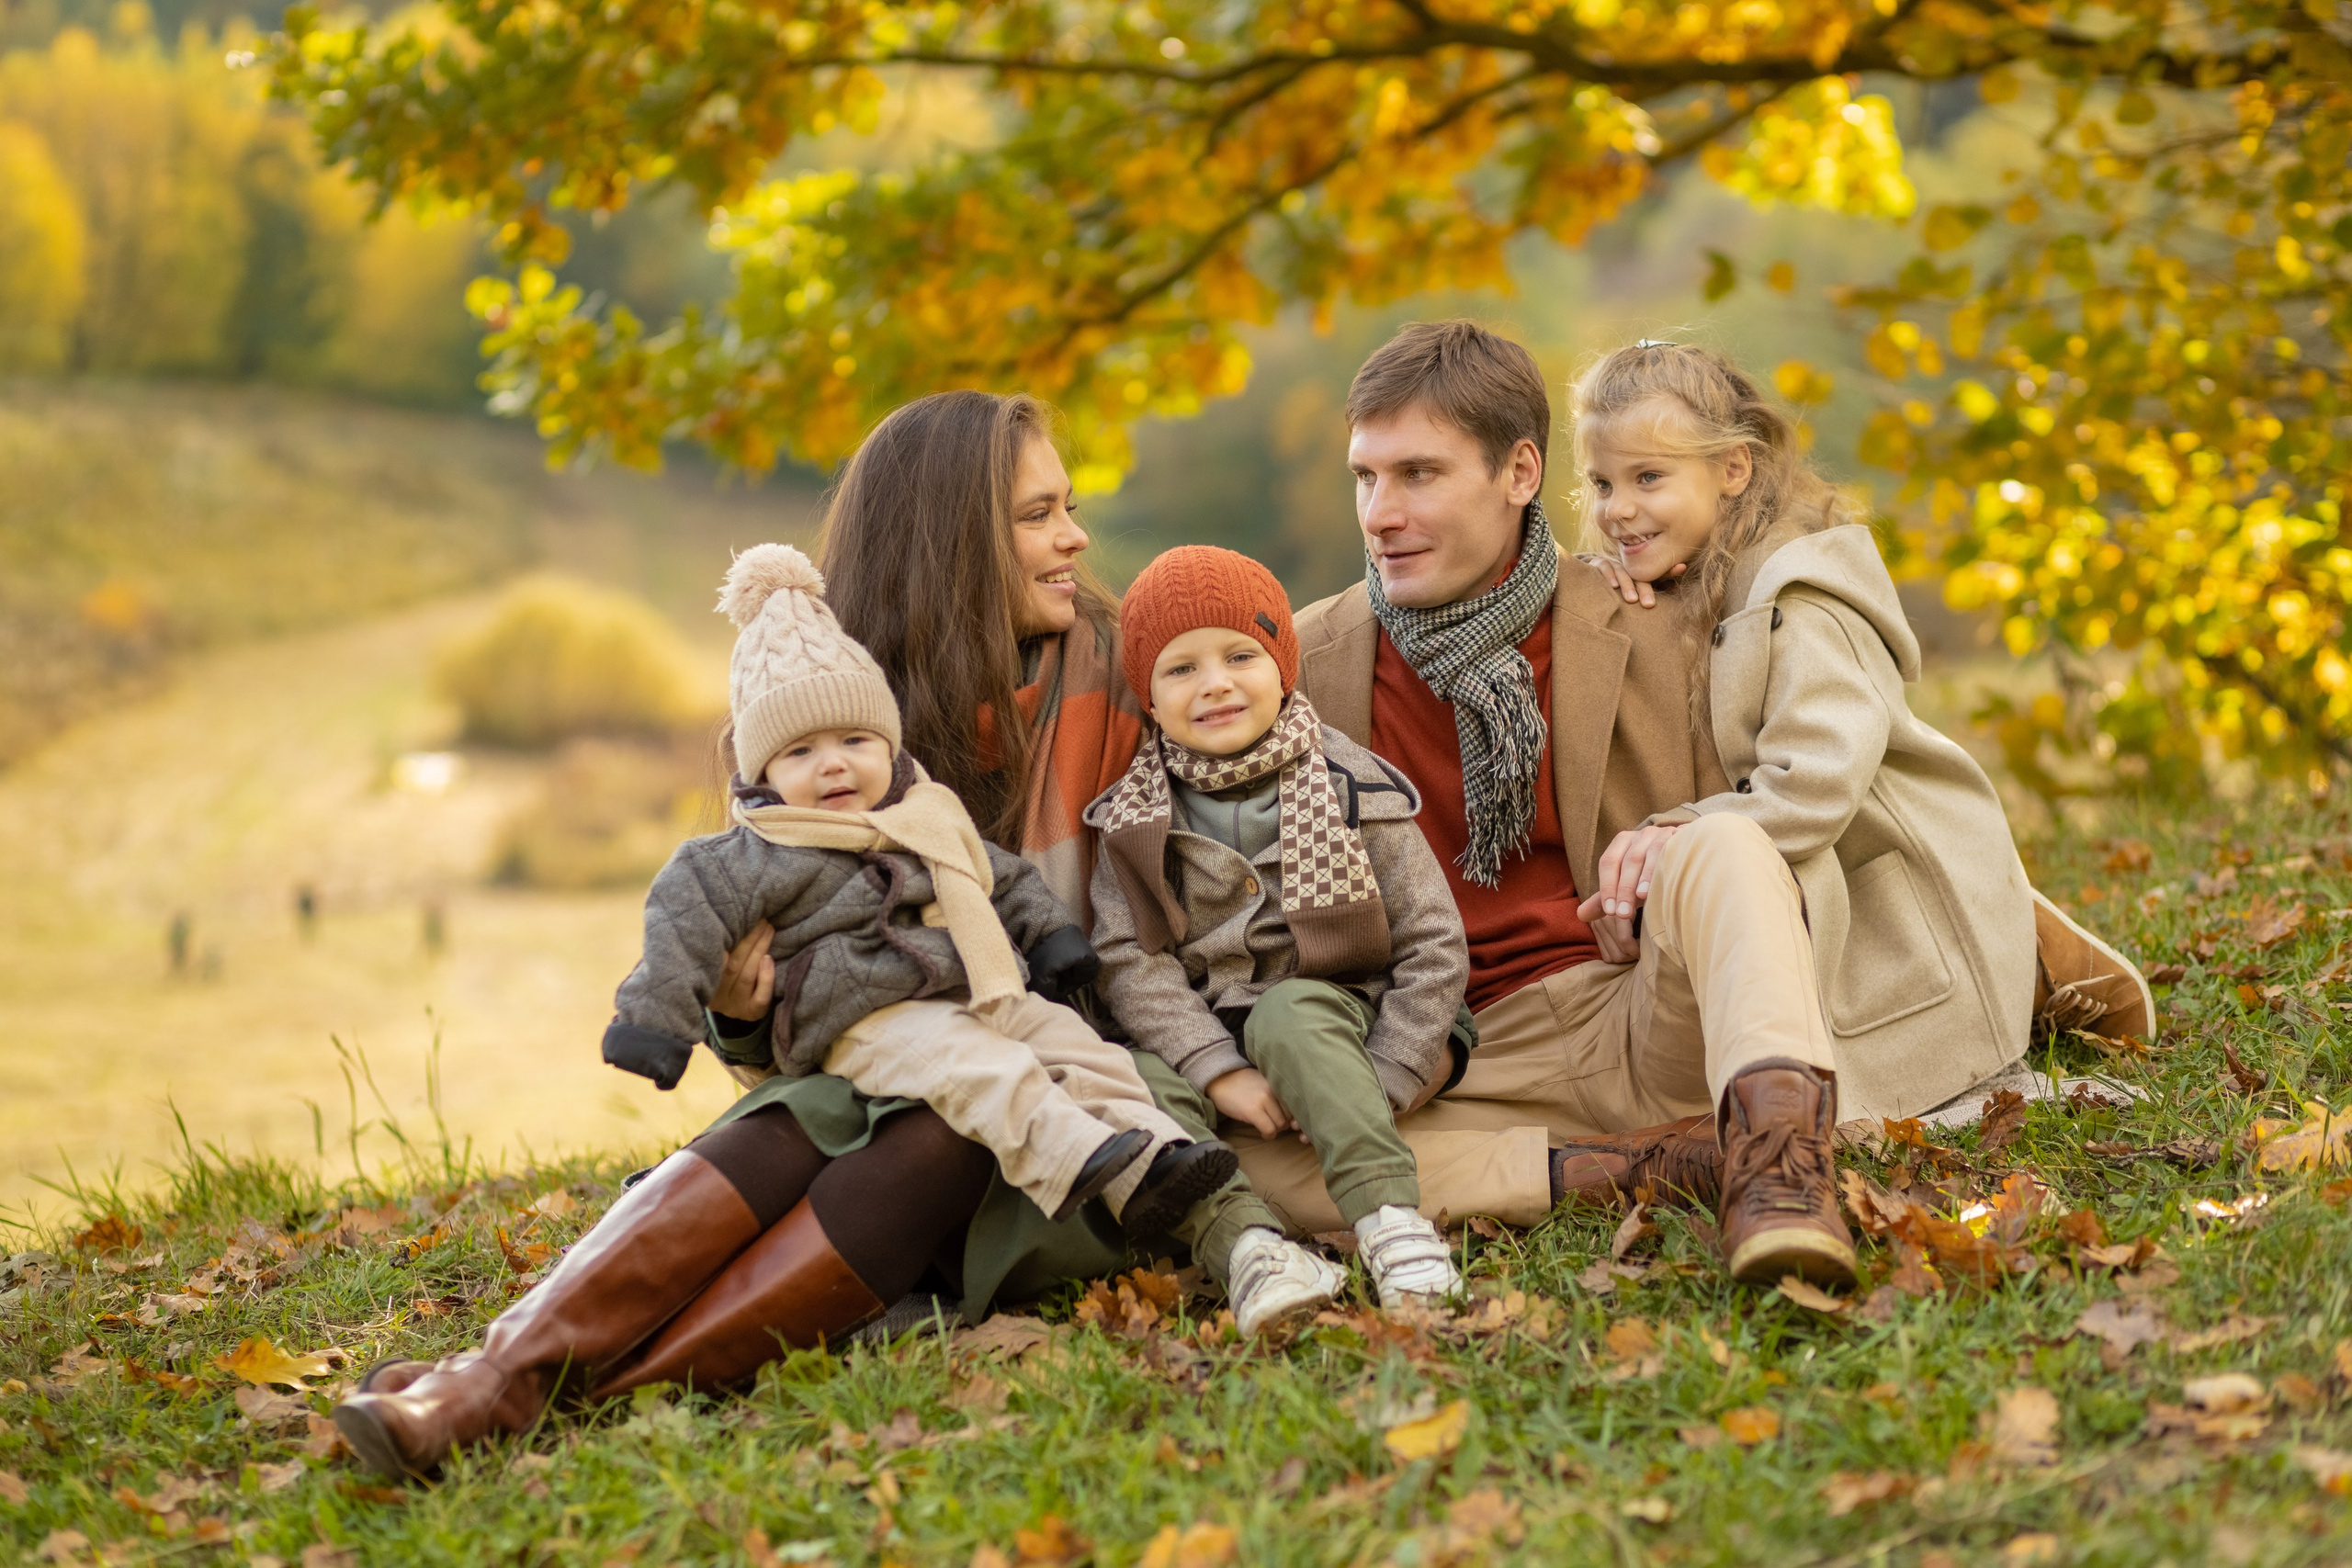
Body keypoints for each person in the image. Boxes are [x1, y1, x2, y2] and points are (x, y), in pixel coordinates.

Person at [601, 541, 1235, 1234]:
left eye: (854, 741)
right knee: (975, 1066)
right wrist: (653, 1024)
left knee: (1073, 1042)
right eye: (800, 752)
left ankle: (1155, 1162)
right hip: (862, 1015)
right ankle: (1066, 1156)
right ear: (763, 773)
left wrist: (1049, 937)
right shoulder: (750, 852)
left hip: (975, 984)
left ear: (889, 747)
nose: (833, 766)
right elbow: (680, 925)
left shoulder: (924, 814)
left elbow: (998, 877)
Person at [1572, 344, 2154, 1060]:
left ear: (1733, 469)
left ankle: (2020, 950)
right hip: (1789, 860)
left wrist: (1678, 834)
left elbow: (1815, 784)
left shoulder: (1800, 597)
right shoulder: (1686, 573)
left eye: (1648, 477)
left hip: (1873, 857)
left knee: (1871, 1070)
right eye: (1602, 484)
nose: (1617, 510)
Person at [1084, 547, 1470, 1332]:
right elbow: (1130, 959)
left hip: (1343, 1009)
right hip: (1209, 1031)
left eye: (1239, 655)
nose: (1216, 683)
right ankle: (1249, 1245)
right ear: (1150, 701)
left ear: (1282, 665)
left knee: (1291, 1012)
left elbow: (1432, 936)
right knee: (1126, 1080)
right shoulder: (1132, 820)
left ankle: (1390, 1221)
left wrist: (1392, 1070)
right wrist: (1216, 1070)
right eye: (1180, 669)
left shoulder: (1350, 783)